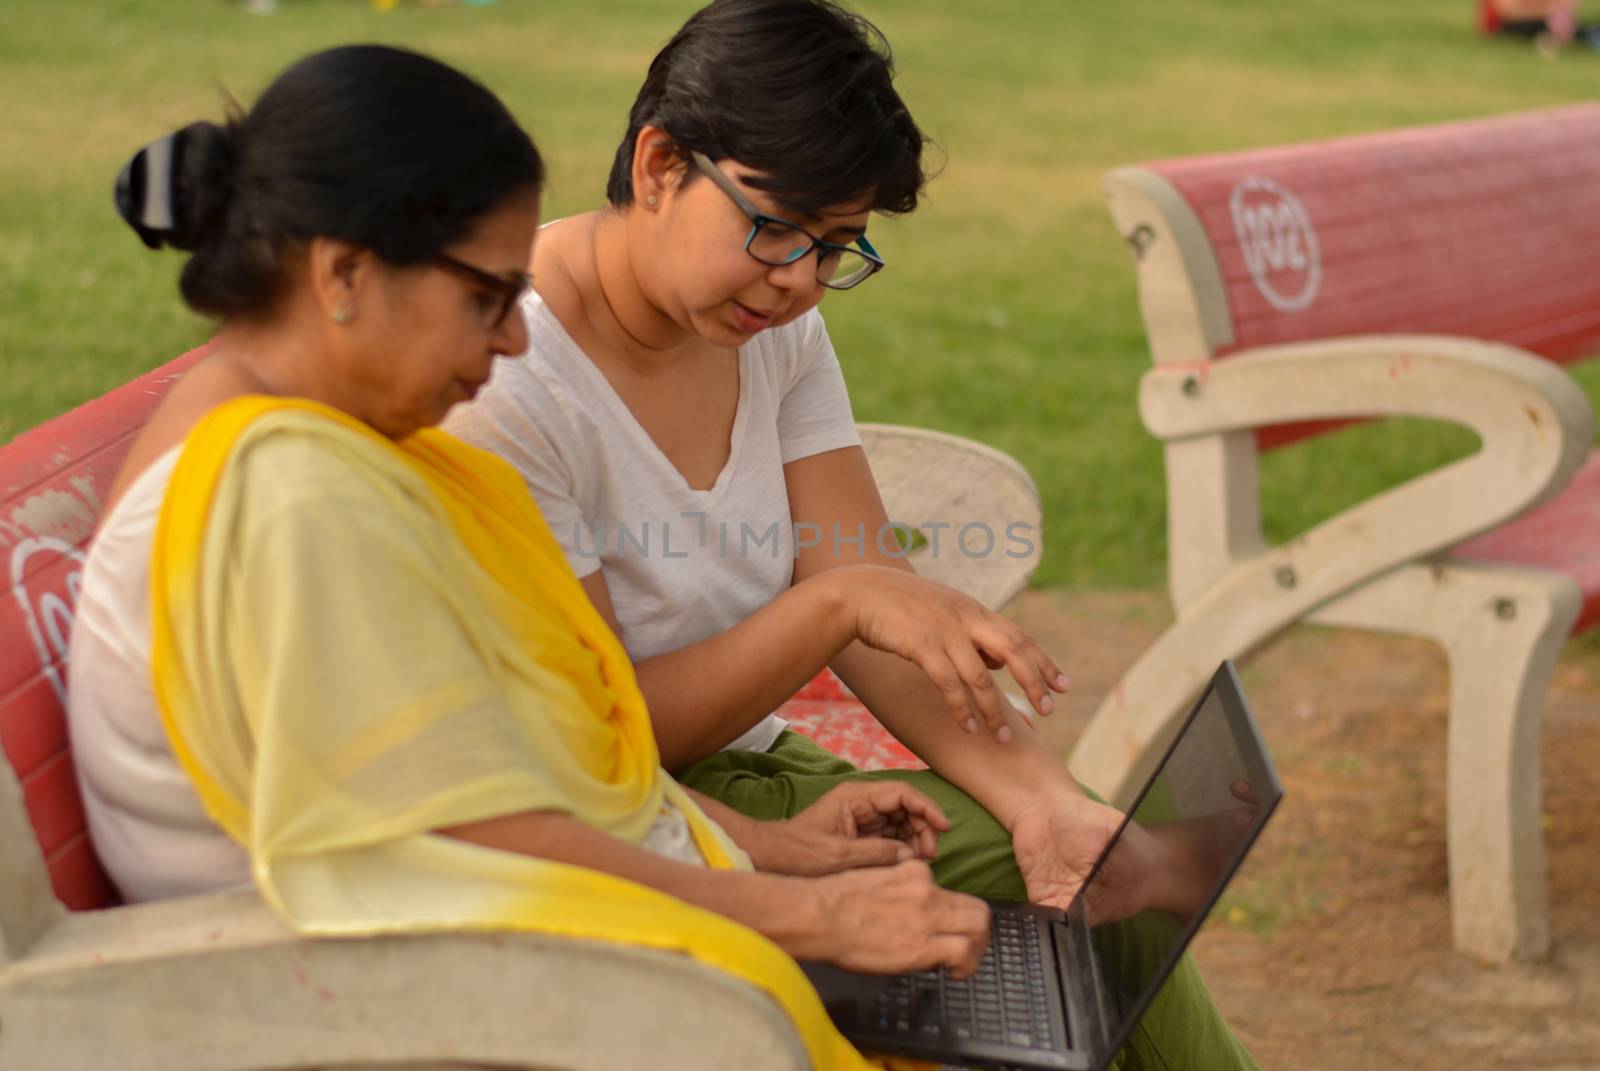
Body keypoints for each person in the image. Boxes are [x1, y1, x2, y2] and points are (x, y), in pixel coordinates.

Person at [67, 44, 1006, 1070]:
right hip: (408, 996)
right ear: (342, 273)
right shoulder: (288, 493)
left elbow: (474, 763)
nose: (517, 341)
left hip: (487, 948)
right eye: (486, 298)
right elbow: (469, 832)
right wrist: (797, 912)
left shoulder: (294, 443)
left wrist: (769, 845)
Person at [444, 2, 1260, 1067]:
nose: (795, 279)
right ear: (658, 164)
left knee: (1093, 881)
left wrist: (1045, 802)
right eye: (773, 228)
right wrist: (833, 604)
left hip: (755, 774)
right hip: (633, 813)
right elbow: (613, 738)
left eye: (835, 248)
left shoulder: (773, 333)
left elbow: (884, 612)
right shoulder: (509, 378)